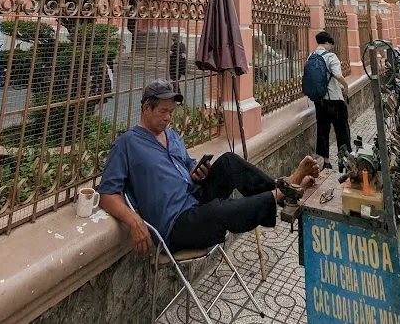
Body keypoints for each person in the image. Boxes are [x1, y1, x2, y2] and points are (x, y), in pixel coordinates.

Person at [98, 79, 320, 254]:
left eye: (171, 112)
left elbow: (188, 166)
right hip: (175, 223)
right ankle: (283, 192)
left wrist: (198, 172)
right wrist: (133, 219)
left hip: (194, 195)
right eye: (162, 112)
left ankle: (285, 189)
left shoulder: (172, 136)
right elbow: (107, 194)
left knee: (229, 161)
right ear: (146, 108)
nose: (168, 118)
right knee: (219, 209)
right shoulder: (127, 144)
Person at [311, 31, 351, 171]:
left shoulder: (312, 56)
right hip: (334, 99)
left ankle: (326, 161)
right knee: (342, 130)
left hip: (319, 101)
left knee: (322, 130)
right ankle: (343, 158)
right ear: (327, 43)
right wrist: (345, 86)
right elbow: (337, 74)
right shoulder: (330, 56)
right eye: (330, 44)